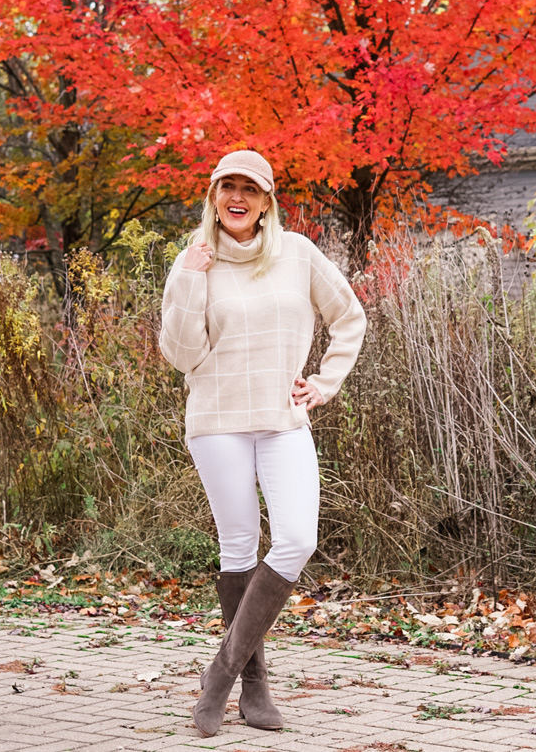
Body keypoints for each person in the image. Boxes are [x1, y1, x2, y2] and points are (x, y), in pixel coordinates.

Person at [159, 149, 366, 738]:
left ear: (268, 200)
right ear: (213, 196)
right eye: (228, 186)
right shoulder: (193, 262)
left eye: (250, 188)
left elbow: (350, 316)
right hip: (217, 419)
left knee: (298, 537)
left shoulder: (297, 253)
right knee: (239, 546)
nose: (238, 197)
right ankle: (255, 686)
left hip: (282, 417)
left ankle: (220, 675)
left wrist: (325, 382)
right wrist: (188, 279)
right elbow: (182, 354)